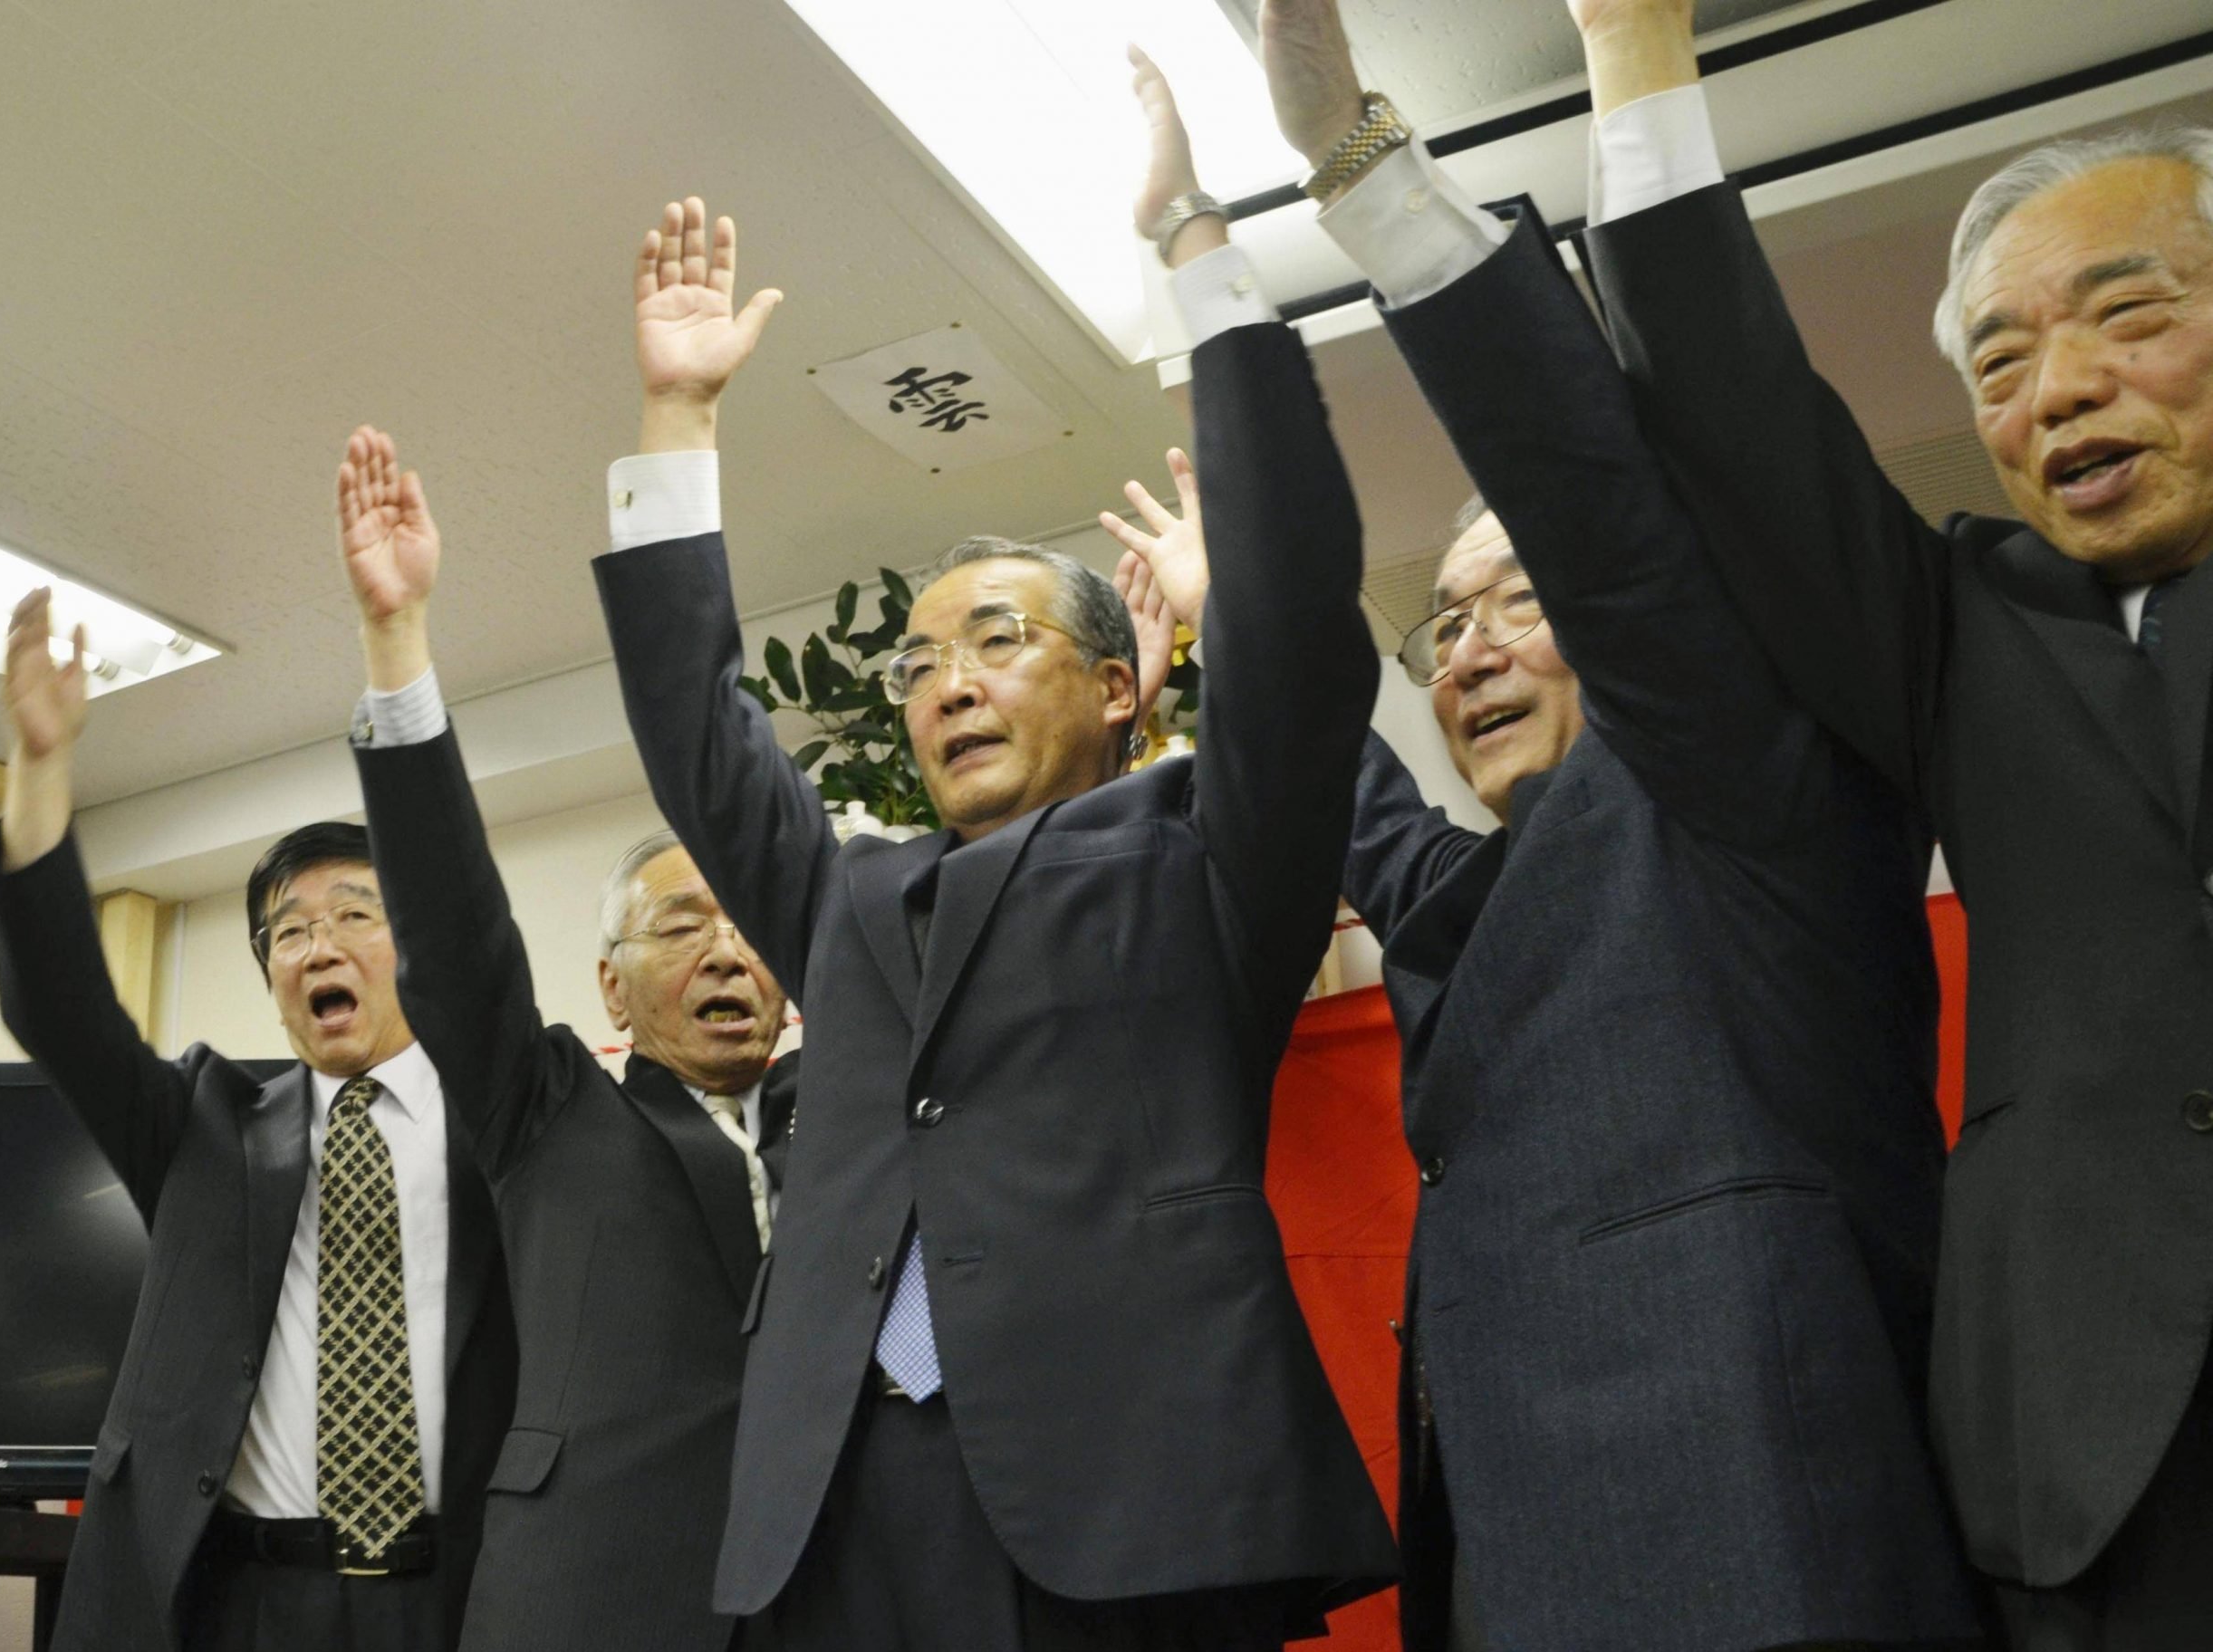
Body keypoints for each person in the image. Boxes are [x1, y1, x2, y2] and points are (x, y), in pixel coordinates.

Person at [1105, 14, 1977, 1647]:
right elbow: (1348, 785)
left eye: (1521, 601)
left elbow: (1607, 516)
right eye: (1441, 626)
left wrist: (1350, 161)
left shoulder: (1738, 797)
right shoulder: (1468, 903)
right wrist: (1188, 246)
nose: (1471, 647)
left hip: (1764, 1554)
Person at [582, 145, 1395, 1650]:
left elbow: (1301, 680)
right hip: (837, 1507)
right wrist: (679, 419)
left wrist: (1202, 267)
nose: (943, 680)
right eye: (916, 665)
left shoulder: (1198, 856)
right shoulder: (848, 898)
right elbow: (703, 735)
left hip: (1132, 1496)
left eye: (996, 641)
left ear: (1116, 687)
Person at [1562, 0, 2213, 1641]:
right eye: (2000, 360)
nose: (2059, 390)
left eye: (2127, 319)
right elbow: (1733, 404)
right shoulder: (1967, 631)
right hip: (2103, 1453)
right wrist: (1632, 46)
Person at [330, 427, 798, 1651]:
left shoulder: (854, 1111)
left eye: (749, 929)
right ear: (613, 986)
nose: (730, 953)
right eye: (684, 926)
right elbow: (455, 931)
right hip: (595, 1597)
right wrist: (399, 651)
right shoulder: (544, 1110)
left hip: (839, 1591)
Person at [0, 590, 514, 1651]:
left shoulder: (506, 1119)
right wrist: (40, 768)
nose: (319, 947)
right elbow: (58, 1005)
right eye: (288, 932)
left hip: (463, 1592)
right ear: (272, 977)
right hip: (244, 1599)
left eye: (356, 915)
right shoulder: (203, 1126)